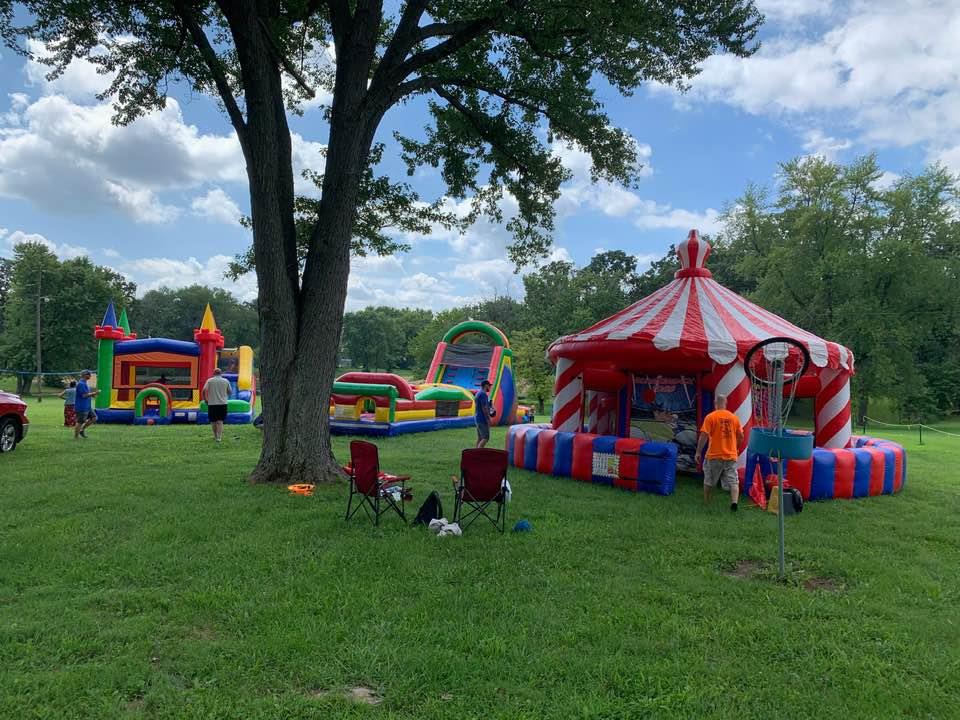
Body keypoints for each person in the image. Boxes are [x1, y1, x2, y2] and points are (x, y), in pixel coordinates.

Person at [695, 394, 744, 511]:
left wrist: (698, 451)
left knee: (709, 480)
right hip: (731, 455)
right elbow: (741, 436)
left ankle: (707, 502)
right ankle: (734, 502)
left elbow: (704, 435)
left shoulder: (710, 417)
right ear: (726, 403)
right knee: (733, 480)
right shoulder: (734, 418)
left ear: (715, 403)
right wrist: (736, 448)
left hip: (714, 455)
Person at [202, 367, 232, 443]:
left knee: (213, 421)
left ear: (213, 373)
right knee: (220, 421)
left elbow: (204, 390)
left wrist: (206, 399)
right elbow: (230, 392)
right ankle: (219, 437)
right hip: (222, 403)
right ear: (221, 373)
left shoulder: (210, 381)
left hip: (212, 403)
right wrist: (225, 395)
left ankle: (215, 435)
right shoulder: (226, 381)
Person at [73, 370, 99, 439]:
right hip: (81, 407)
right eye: (89, 374)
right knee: (80, 422)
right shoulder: (81, 384)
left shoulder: (85, 383)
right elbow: (84, 395)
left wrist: (92, 395)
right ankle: (76, 437)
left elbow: (87, 394)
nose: (90, 376)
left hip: (87, 406)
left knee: (94, 418)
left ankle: (82, 430)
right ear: (85, 375)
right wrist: (94, 393)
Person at [474, 379, 496, 448]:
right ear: (486, 386)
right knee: (485, 438)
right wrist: (488, 419)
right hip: (482, 419)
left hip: (478, 418)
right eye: (489, 386)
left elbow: (483, 406)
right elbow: (484, 408)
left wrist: (490, 405)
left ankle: (474, 455)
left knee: (480, 438)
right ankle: (478, 455)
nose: (490, 387)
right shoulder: (483, 394)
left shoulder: (478, 393)